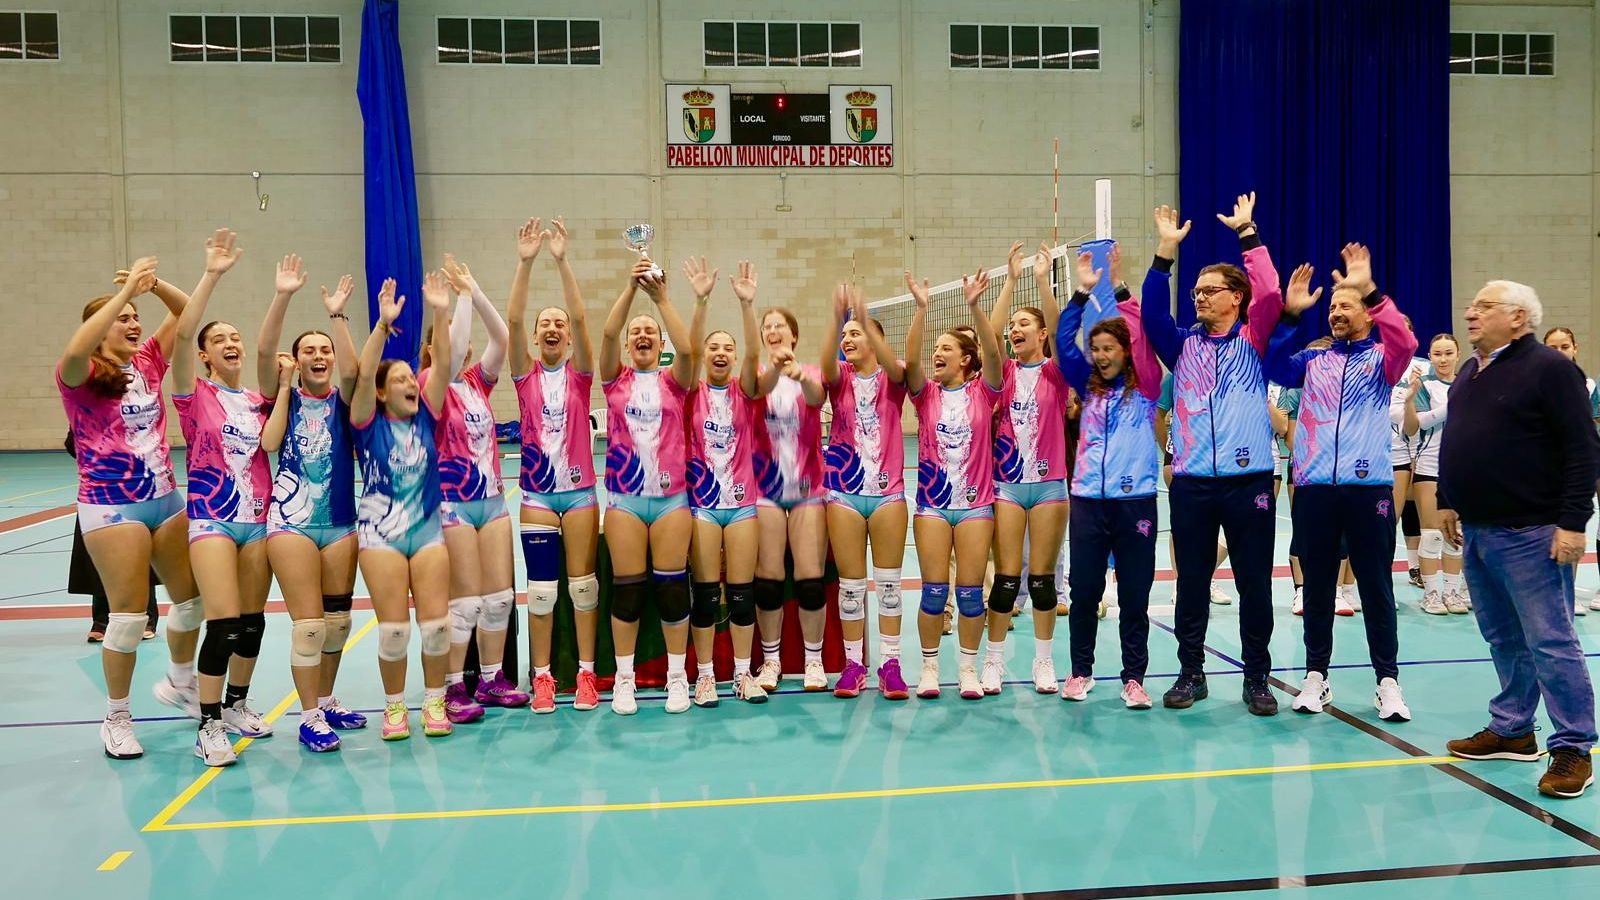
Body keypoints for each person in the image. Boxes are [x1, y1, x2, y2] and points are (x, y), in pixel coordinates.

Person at [1441, 280, 1599, 799]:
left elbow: (1582, 448)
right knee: (1503, 637)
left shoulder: (1551, 370)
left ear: (1518, 317)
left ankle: (1573, 747)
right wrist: (1448, 497)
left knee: (1551, 641)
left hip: (1534, 532)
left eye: (1484, 306)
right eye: (1472, 304)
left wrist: (1574, 522)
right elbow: (1459, 437)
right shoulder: (1471, 370)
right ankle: (1512, 727)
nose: (1471, 313)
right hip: (1480, 531)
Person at [1140, 194, 1287, 715]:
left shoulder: (1255, 339)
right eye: (1196, 291)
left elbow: (1271, 290)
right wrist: (1164, 253)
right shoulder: (1182, 346)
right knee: (1192, 584)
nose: (1199, 298)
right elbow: (1153, 309)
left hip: (1250, 484)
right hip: (1194, 484)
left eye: (1210, 291)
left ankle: (1257, 679)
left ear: (1236, 298)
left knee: (1253, 585)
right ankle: (1191, 672)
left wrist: (1249, 235)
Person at [57, 255, 204, 759]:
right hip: (111, 506)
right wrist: (117, 299)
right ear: (100, 331)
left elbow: (188, 313)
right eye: (123, 320)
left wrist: (153, 285)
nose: (134, 323)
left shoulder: (145, 363)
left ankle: (181, 682)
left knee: (192, 603)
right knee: (125, 617)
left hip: (164, 499)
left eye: (135, 318)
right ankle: (116, 715)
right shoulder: (77, 376)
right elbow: (77, 345)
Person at [1266, 246, 1417, 721]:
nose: (1335, 311)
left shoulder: (1381, 360)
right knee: (1317, 588)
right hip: (1313, 489)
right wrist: (1291, 313)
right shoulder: (1314, 361)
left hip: (1367, 488)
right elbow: (1270, 363)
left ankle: (1387, 682)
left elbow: (1406, 345)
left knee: (1375, 587)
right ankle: (1316, 676)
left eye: (1344, 305)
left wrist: (1368, 288)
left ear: (1367, 315)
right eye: (1332, 306)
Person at [170, 228, 278, 765]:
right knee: (225, 623)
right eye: (220, 340)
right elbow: (184, 330)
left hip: (258, 522)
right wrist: (211, 274)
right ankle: (208, 724)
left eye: (236, 336)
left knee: (254, 622)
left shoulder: (259, 401)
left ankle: (236, 704)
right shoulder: (195, 396)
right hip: (213, 520)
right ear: (206, 356)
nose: (231, 343)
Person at [259, 255, 366, 752]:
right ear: (296, 360)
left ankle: (324, 701)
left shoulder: (346, 400)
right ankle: (306, 716)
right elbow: (269, 442)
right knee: (307, 626)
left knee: (338, 622)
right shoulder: (282, 394)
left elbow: (354, 369)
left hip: (341, 521)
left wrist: (337, 317)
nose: (320, 356)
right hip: (291, 524)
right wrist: (283, 387)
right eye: (310, 351)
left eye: (324, 350)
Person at [889, 267, 1004, 700]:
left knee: (972, 595)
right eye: (936, 349)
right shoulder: (926, 395)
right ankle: (931, 667)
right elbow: (912, 359)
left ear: (966, 360)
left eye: (946, 349)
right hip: (933, 507)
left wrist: (975, 307)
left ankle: (969, 669)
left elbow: (993, 353)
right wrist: (921, 309)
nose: (937, 354)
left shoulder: (984, 391)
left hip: (976, 506)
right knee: (934, 592)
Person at [351, 273, 456, 741]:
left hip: (428, 532)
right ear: (380, 392)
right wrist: (382, 325)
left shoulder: (428, 420)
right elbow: (362, 372)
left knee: (436, 627)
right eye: (400, 379)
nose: (412, 383)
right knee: (393, 632)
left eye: (413, 377)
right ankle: (395, 709)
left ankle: (434, 703)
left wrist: (439, 310)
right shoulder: (365, 422)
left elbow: (445, 365)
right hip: (380, 538)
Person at [425, 252, 530, 722]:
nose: (460, 350)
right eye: (448, 345)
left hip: (491, 504)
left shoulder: (475, 385)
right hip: (453, 505)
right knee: (463, 603)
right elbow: (458, 341)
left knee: (499, 599)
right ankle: (452, 687)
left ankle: (490, 680)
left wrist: (476, 288)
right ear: (434, 350)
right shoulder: (432, 382)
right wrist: (458, 299)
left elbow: (502, 339)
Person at [1056, 250, 1161, 709]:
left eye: (1108, 349)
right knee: (1085, 591)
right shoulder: (1086, 386)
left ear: (1125, 351)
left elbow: (1140, 337)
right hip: (1087, 503)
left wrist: (1119, 291)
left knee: (1135, 594)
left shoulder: (1147, 385)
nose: (1099, 357)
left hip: (1135, 502)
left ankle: (1134, 677)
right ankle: (1080, 671)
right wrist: (1080, 294)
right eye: (1095, 349)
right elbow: (1064, 343)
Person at [507, 217, 602, 714]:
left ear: (566, 338)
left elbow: (585, 321)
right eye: (546, 323)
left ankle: (586, 675)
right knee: (542, 594)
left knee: (583, 589)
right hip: (538, 497)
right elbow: (514, 321)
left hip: (582, 492)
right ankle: (542, 677)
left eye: (558, 323)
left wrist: (563, 262)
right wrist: (526, 264)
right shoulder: (523, 375)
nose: (552, 327)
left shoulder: (581, 374)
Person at [599, 257, 698, 715]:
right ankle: (624, 680)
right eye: (635, 332)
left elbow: (689, 350)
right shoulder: (614, 379)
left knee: (673, 588)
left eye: (649, 333)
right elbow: (606, 335)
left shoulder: (674, 383)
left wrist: (660, 300)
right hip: (624, 501)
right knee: (628, 589)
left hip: (671, 501)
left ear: (659, 345)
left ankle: (678, 678)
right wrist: (630, 289)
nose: (641, 335)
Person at [980, 243, 1070, 695]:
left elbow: (1059, 327)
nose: (1015, 329)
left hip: (1050, 485)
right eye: (1014, 325)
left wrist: (1040, 280)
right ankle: (994, 662)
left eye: (1024, 324)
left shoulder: (1057, 372)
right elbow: (991, 338)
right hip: (1009, 486)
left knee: (1042, 580)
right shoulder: (1002, 376)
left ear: (1040, 335)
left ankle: (1043, 662)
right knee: (1007, 578)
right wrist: (1011, 282)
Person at [684, 260, 769, 705]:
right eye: (713, 346)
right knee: (703, 595)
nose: (719, 352)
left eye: (727, 348)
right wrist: (700, 301)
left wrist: (746, 305)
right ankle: (702, 676)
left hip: (740, 505)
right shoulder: (689, 391)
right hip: (699, 504)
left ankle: (741, 673)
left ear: (734, 358)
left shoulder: (746, 390)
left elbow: (757, 356)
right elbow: (691, 354)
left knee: (740, 593)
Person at [823, 285, 911, 700]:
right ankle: (854, 664)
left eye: (856, 334)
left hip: (887, 494)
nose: (848, 340)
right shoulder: (838, 378)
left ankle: (891, 663)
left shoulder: (895, 377)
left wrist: (863, 314)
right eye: (845, 336)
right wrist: (837, 317)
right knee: (851, 587)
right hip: (843, 493)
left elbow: (895, 367)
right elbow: (825, 364)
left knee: (890, 585)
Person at [749, 303, 830, 694]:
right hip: (765, 490)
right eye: (768, 327)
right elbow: (758, 388)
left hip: (807, 490)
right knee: (767, 581)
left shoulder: (810, 374)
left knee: (810, 580)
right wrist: (775, 370)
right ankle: (771, 661)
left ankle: (814, 661)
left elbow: (816, 397)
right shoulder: (755, 378)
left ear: (793, 335)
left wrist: (798, 374)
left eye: (781, 325)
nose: (774, 330)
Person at [1403, 334, 1467, 616]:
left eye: (1448, 353)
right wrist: (1454, 404)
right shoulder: (1424, 385)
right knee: (1431, 534)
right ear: (1429, 356)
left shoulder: (1469, 383)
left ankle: (1452, 591)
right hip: (1429, 466)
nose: (1443, 359)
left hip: (1462, 469)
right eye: (1437, 354)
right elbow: (1416, 424)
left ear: (1458, 354)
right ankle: (1431, 594)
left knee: (1457, 534)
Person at [1542, 326, 1600, 614]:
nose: (1559, 353)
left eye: (1564, 347)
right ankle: (1553, 596)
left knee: (1573, 525)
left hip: (1576, 465)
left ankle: (1569, 594)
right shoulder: (1536, 383)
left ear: (1575, 348)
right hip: (1546, 468)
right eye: (1552, 348)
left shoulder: (1588, 385)